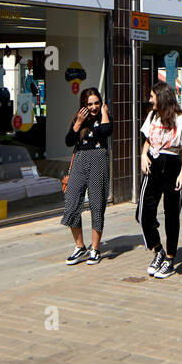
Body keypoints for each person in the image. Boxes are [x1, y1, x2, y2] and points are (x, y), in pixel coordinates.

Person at [137, 81, 182, 279]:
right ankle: (157, 249)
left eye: (152, 96)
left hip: (173, 165)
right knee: (143, 213)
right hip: (153, 163)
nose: (150, 99)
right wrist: (143, 156)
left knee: (171, 215)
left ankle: (169, 258)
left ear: (162, 97)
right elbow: (147, 140)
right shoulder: (152, 115)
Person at [60, 86, 112, 265]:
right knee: (72, 202)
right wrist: (77, 124)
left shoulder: (104, 117)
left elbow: (106, 132)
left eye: (97, 103)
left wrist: (104, 112)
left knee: (97, 204)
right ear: (84, 104)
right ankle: (80, 246)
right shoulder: (79, 119)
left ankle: (95, 249)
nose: (94, 107)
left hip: (98, 160)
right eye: (90, 104)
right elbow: (68, 141)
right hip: (80, 160)